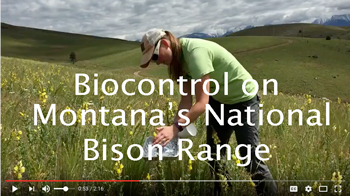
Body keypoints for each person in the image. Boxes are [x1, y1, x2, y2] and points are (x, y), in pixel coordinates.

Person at [139, 28, 277, 196]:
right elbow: (186, 102)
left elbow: (202, 103)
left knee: (249, 158)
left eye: (155, 56)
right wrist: (172, 130)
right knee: (214, 155)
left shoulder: (195, 53)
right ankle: (223, 191)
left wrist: (175, 128)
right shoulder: (177, 64)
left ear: (166, 44)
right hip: (219, 101)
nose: (157, 62)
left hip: (244, 100)